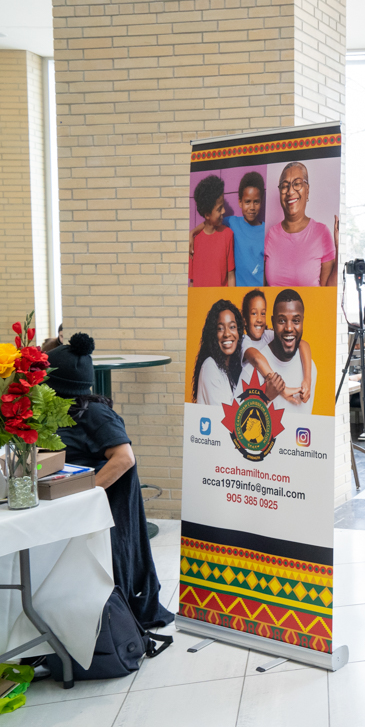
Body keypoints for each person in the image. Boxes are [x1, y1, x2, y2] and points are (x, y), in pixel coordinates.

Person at [46, 333, 174, 629]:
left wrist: (86, 494)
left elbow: (125, 458)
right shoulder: (58, 410)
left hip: (97, 513)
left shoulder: (96, 414)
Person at [191, 299, 289, 406]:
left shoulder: (233, 371)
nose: (227, 334)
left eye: (232, 327)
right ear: (213, 334)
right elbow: (227, 420)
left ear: (238, 332)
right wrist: (265, 396)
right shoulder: (210, 366)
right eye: (220, 328)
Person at [238, 289, 316, 414]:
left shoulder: (309, 367)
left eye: (296, 320)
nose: (289, 328)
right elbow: (257, 358)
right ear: (273, 322)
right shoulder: (245, 350)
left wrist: (307, 378)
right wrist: (280, 388)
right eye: (282, 320)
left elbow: (302, 343)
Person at [263, 162, 337, 287]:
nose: (290, 191)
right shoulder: (271, 235)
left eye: (297, 184)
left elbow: (328, 293)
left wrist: (339, 247)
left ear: (307, 190)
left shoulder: (322, 233)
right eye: (285, 186)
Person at [190, 171, 266, 286]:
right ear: (240, 202)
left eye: (256, 202)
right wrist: (192, 233)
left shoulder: (267, 230)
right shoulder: (231, 223)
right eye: (247, 202)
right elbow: (209, 222)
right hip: (237, 293)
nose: (252, 207)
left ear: (261, 201)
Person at [188, 174, 235, 287]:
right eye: (219, 209)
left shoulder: (227, 235)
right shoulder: (194, 243)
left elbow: (231, 276)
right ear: (207, 215)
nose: (224, 211)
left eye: (223, 206)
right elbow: (192, 282)